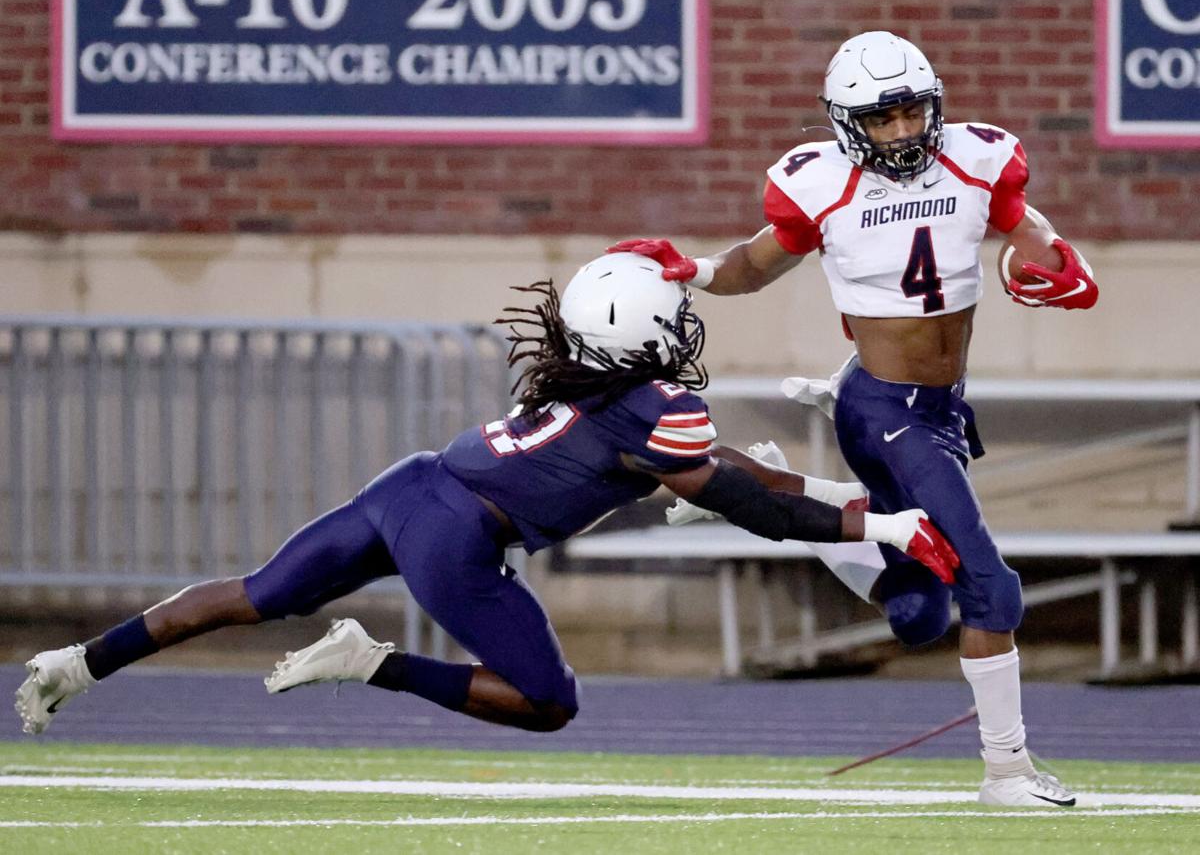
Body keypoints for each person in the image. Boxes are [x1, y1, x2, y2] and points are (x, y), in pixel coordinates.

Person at [15, 252, 959, 738]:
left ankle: (81, 663)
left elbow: (618, 470)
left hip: (410, 486)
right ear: (643, 340)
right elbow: (747, 497)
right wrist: (870, 519)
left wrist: (739, 494)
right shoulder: (654, 411)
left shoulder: (569, 381)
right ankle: (369, 663)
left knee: (251, 594)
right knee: (548, 703)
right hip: (455, 540)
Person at [608, 31, 1099, 807]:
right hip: (881, 409)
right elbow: (752, 266)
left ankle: (790, 499)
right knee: (990, 588)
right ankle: (1007, 774)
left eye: (912, 112)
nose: (903, 132)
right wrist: (690, 269)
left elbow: (1023, 224)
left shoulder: (976, 157)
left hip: (940, 409)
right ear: (845, 122)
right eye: (882, 119)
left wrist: (1056, 261)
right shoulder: (822, 185)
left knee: (917, 611)